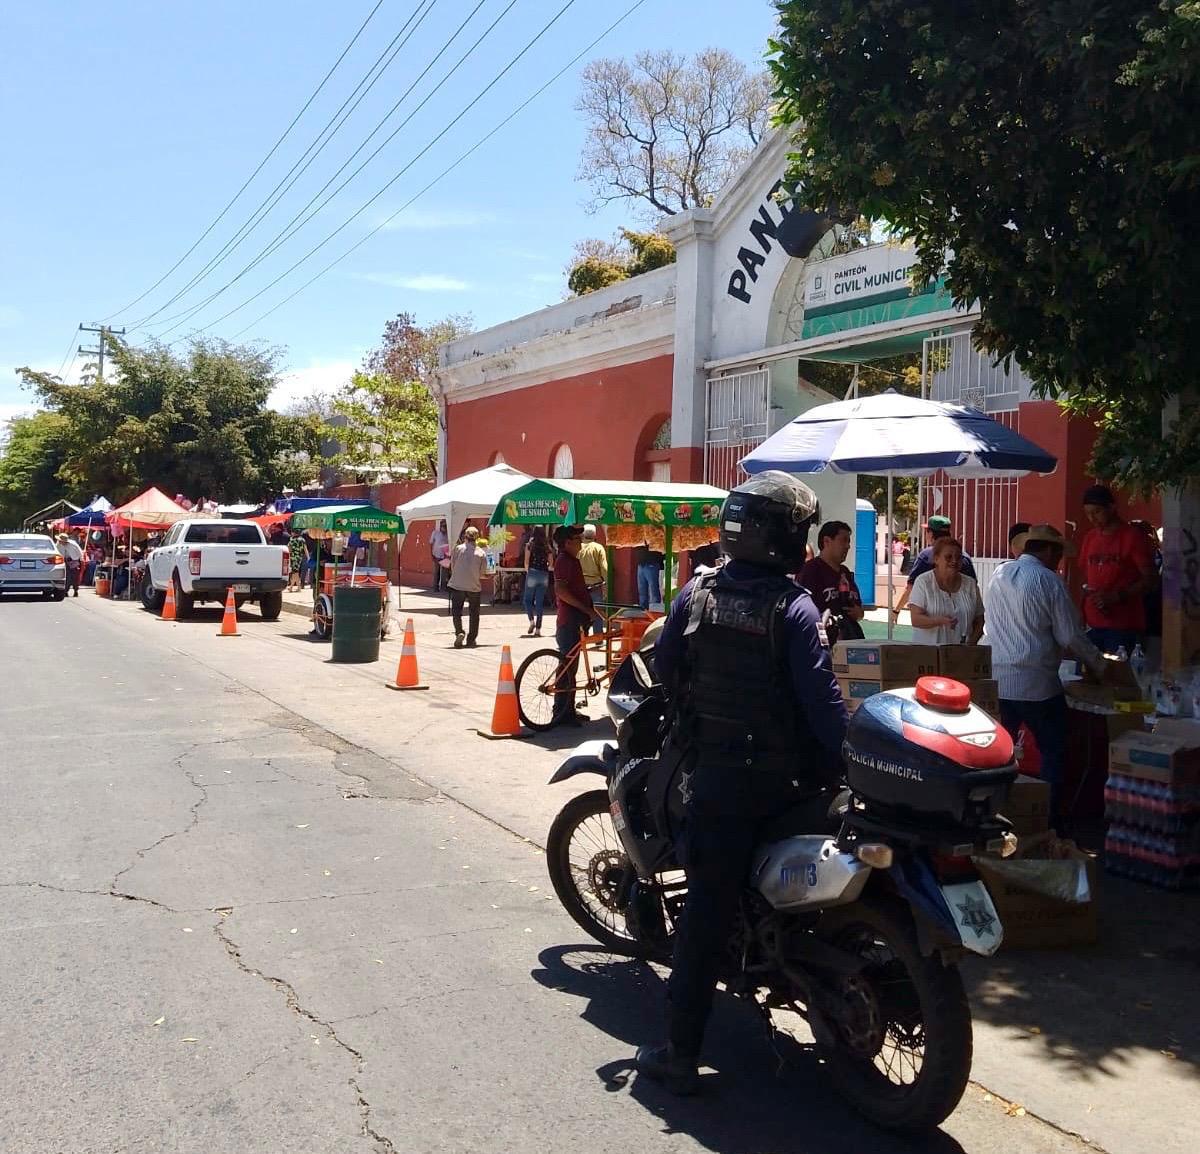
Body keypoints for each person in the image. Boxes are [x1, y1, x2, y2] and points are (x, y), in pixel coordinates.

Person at [635, 471, 848, 1095]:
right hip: (789, 787)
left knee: (705, 911)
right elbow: (824, 708)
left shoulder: (695, 597)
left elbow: (666, 670)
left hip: (723, 784)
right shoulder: (796, 608)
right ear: (788, 537)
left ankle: (681, 1052)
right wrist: (846, 761)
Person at [984, 525, 1112, 819]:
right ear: (1050, 551)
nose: (1060, 561)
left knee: (1000, 756)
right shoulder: (1048, 580)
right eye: (1058, 555)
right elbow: (1071, 636)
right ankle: (1048, 819)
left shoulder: (998, 575)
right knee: (1053, 753)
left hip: (1000, 680)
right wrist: (1101, 666)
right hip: (1037, 685)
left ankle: (1000, 814)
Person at [1079, 485, 1157, 654]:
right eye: (1088, 513)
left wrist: (1117, 596)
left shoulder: (1132, 537)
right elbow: (1085, 577)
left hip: (1123, 626)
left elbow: (1150, 578)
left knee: (1117, 678)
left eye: (1097, 512)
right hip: (1092, 623)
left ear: (1112, 507)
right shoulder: (1090, 537)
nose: (1092, 518)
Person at [893, 515, 976, 622]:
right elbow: (973, 590)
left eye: (927, 531)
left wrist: (896, 610)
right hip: (963, 619)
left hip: (932, 620)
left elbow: (910, 587)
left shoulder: (926, 555)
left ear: (931, 534)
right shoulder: (964, 557)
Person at [551, 525, 594, 727]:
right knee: (567, 667)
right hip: (569, 620)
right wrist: (584, 608)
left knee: (571, 668)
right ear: (567, 542)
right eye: (577, 540)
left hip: (575, 620)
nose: (580, 544)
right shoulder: (564, 561)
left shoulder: (571, 560)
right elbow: (561, 590)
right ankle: (561, 712)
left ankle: (567, 710)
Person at [797, 520, 865, 644]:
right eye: (843, 540)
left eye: (848, 541)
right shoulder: (811, 570)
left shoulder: (845, 573)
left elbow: (859, 611)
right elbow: (803, 611)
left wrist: (858, 613)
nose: (848, 546)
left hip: (850, 641)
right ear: (827, 541)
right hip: (823, 642)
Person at [908, 537, 985, 645]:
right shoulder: (923, 582)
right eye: (948, 557)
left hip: (962, 655)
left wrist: (970, 644)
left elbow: (980, 621)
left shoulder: (970, 584)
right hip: (928, 654)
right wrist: (939, 621)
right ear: (936, 559)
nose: (954, 561)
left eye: (958, 557)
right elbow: (915, 619)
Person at [447, 526, 488, 648]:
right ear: (477, 538)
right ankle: (471, 639)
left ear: (465, 537)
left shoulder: (458, 549)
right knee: (474, 613)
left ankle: (459, 632)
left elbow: (452, 567)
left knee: (457, 611)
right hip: (474, 586)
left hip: (457, 585)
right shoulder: (481, 553)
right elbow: (482, 573)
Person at [578, 524, 608, 635]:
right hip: (595, 585)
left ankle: (582, 635)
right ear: (594, 535)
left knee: (581, 611)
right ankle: (598, 636)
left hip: (580, 586)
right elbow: (604, 568)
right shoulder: (598, 548)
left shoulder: (578, 547)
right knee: (598, 612)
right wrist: (607, 583)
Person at [522, 526, 551, 638]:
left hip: (532, 572)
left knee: (527, 600)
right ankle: (538, 629)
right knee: (539, 602)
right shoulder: (547, 546)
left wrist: (528, 571)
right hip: (544, 574)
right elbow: (551, 563)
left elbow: (526, 562)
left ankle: (531, 621)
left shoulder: (529, 545)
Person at [634, 543, 664, 610]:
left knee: (653, 590)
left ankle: (655, 611)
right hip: (641, 563)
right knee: (642, 591)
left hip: (652, 563)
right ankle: (643, 611)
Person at [56, 533, 84, 597]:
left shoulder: (72, 544)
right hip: (64, 561)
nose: (59, 541)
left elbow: (79, 551)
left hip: (74, 561)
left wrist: (81, 560)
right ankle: (66, 591)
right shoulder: (58, 544)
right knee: (67, 577)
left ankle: (75, 590)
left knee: (75, 577)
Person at [430, 520, 450, 593]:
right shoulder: (435, 533)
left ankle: (443, 587)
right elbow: (431, 543)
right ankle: (435, 587)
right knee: (436, 572)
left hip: (445, 556)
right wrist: (431, 554)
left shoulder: (448, 534)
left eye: (445, 526)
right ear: (440, 526)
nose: (444, 528)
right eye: (443, 526)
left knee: (444, 573)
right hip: (436, 555)